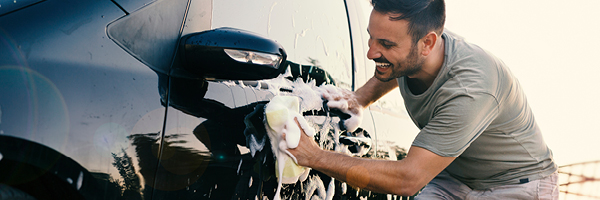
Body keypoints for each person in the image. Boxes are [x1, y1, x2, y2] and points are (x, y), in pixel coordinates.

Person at [287, 0, 559, 199]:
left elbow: (408, 179)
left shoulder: (471, 88)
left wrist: (315, 156)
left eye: (386, 44)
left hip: (517, 185)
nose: (371, 53)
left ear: (427, 43)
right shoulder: (420, 50)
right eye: (371, 39)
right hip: (456, 178)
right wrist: (360, 98)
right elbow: (400, 65)